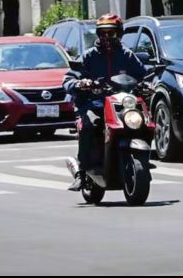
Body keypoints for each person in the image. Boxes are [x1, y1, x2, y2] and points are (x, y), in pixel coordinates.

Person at [63, 14, 147, 191]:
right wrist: (80, 83)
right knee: (90, 125)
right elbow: (69, 79)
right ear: (98, 35)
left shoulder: (126, 55)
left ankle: (142, 158)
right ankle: (83, 172)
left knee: (142, 122)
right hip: (93, 104)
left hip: (121, 104)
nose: (107, 38)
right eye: (103, 34)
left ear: (120, 34)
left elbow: (143, 74)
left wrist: (148, 84)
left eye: (112, 33)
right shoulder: (88, 56)